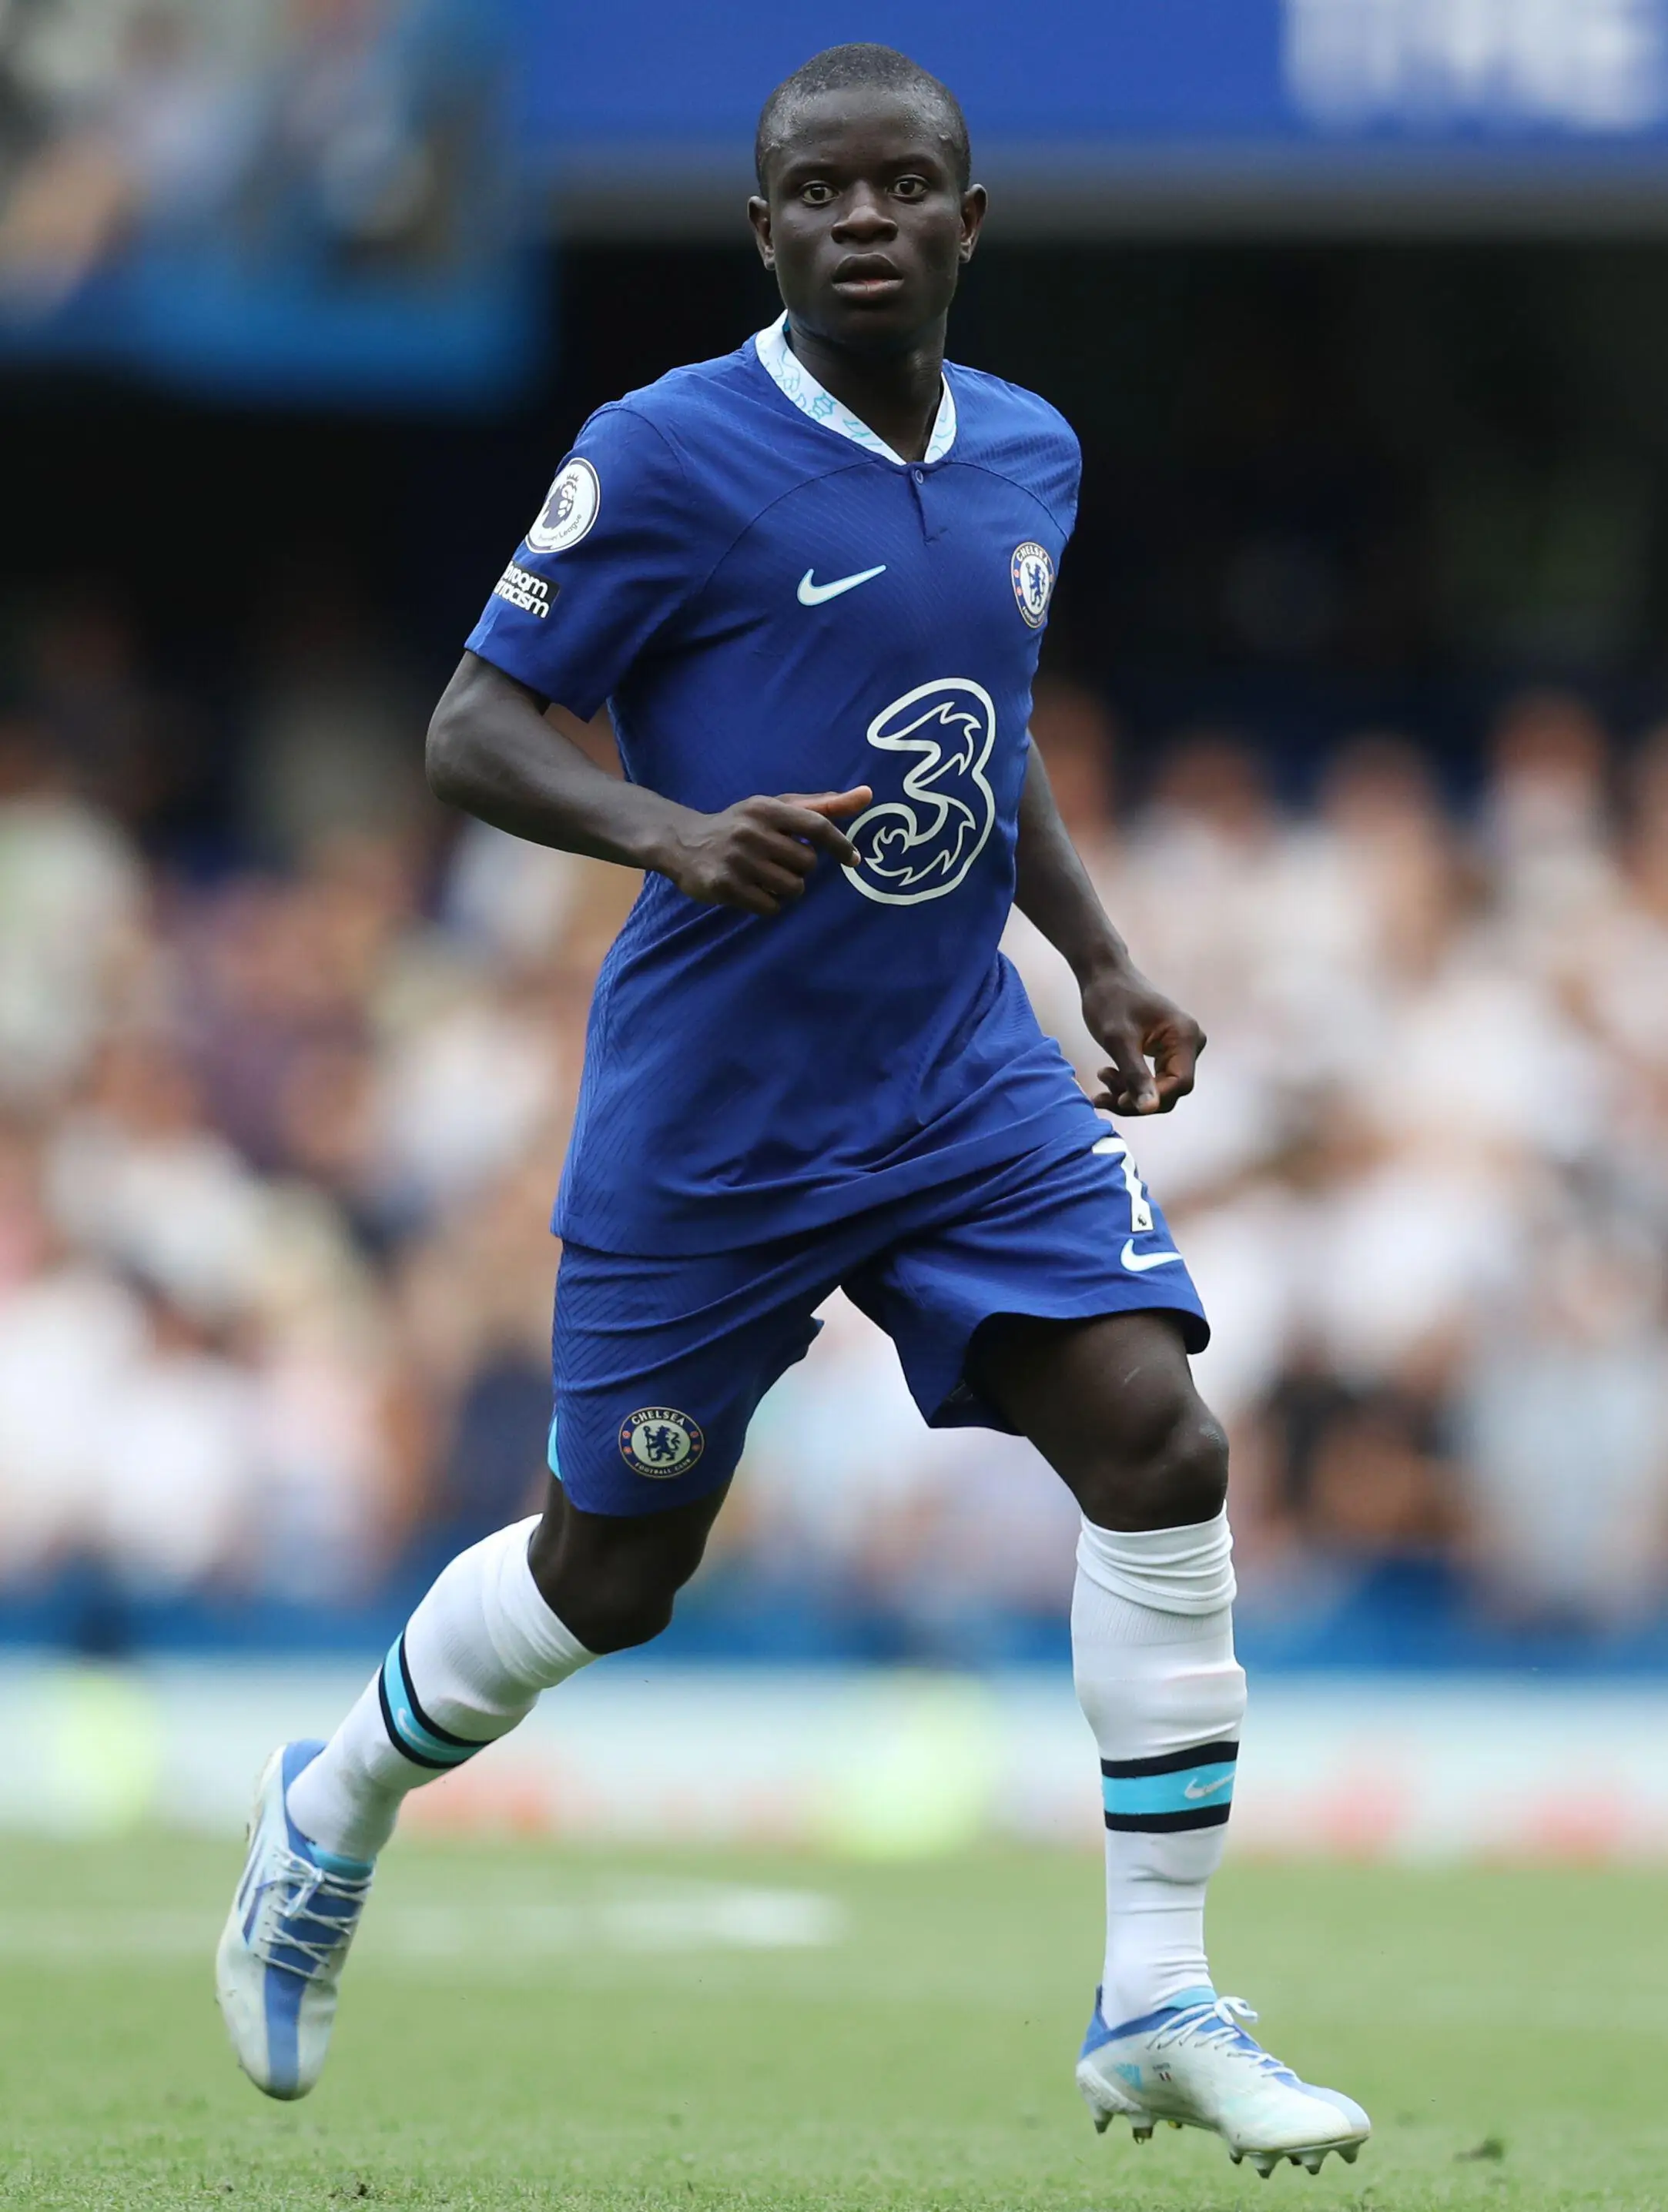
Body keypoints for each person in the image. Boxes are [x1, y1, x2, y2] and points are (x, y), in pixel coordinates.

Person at [216, 42, 1368, 2178]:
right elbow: (472, 726)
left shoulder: (1028, 449)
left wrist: (1096, 952)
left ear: (967, 221)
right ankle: (332, 1808)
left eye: (900, 186)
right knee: (611, 1571)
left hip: (956, 1088)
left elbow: (982, 736)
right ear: (762, 230)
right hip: (714, 1120)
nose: (861, 218)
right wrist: (667, 832)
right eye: (816, 191)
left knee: (1160, 1435)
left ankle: (1156, 1997)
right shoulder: (666, 450)